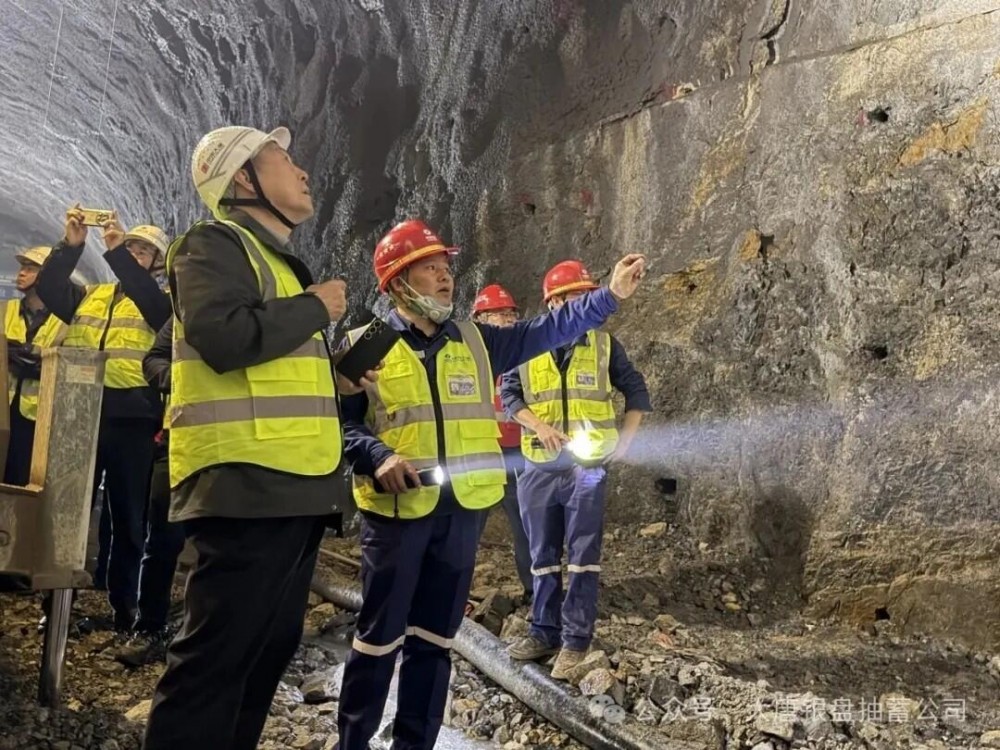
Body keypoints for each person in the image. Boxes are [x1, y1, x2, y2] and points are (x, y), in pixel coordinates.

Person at [335, 219, 646, 750]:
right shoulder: (365, 346)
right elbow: (338, 426)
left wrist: (609, 295)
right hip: (397, 516)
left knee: (434, 641)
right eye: (430, 268)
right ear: (397, 283)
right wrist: (377, 455)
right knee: (379, 640)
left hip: (461, 514)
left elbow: (550, 328)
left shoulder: (475, 341)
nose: (445, 277)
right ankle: (353, 743)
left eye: (446, 267)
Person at [142, 125, 375, 750]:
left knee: (262, 655)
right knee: (214, 665)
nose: (302, 171)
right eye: (283, 159)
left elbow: (271, 368)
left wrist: (337, 379)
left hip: (293, 487)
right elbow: (223, 338)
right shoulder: (211, 245)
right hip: (245, 485)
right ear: (243, 178)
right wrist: (316, 308)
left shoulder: (274, 264)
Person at [502, 259, 651, 680]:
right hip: (539, 466)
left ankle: (575, 641)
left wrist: (625, 442)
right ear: (554, 302)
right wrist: (539, 426)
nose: (585, 304)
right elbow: (510, 395)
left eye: (588, 296)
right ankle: (543, 632)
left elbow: (636, 390)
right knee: (542, 556)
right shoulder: (526, 345)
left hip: (586, 469)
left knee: (584, 557)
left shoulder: (604, 346)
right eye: (575, 297)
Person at [38, 213, 171, 631]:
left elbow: (149, 301)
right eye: (132, 248)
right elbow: (48, 288)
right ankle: (57, 602)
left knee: (129, 516)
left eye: (144, 251)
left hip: (132, 419)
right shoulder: (90, 296)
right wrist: (71, 245)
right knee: (67, 510)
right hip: (81, 410)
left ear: (158, 263)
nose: (135, 254)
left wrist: (117, 254)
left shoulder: (163, 305)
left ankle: (123, 606)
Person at [114, 317, 185, 667]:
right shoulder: (183, 310)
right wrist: (183, 379)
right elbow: (154, 359)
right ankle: (150, 628)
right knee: (162, 540)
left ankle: (222, 637)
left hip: (239, 446)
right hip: (180, 439)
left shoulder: (269, 306)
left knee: (228, 546)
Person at [470, 283, 532, 601]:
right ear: (479, 319)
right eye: (498, 314)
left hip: (518, 452)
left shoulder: (525, 354)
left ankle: (534, 591)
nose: (507, 319)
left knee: (526, 525)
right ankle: (453, 593)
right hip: (481, 453)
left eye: (510, 314)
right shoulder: (467, 357)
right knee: (467, 526)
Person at [3, 246, 66, 485]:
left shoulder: (65, 320)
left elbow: (62, 364)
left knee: (23, 484)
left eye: (31, 268)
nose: (22, 272)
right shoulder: (5, 310)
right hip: (3, 412)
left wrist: (18, 355)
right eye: (22, 267)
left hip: (38, 420)